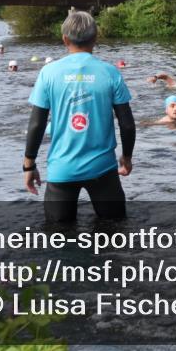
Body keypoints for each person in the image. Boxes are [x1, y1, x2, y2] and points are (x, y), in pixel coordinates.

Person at [23, 11, 136, 222]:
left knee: (59, 239)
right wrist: (127, 157)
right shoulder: (110, 73)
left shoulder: (48, 73)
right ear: (96, 38)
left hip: (61, 170)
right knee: (115, 235)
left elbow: (37, 124)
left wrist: (29, 165)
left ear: (64, 39)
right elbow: (127, 125)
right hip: (102, 168)